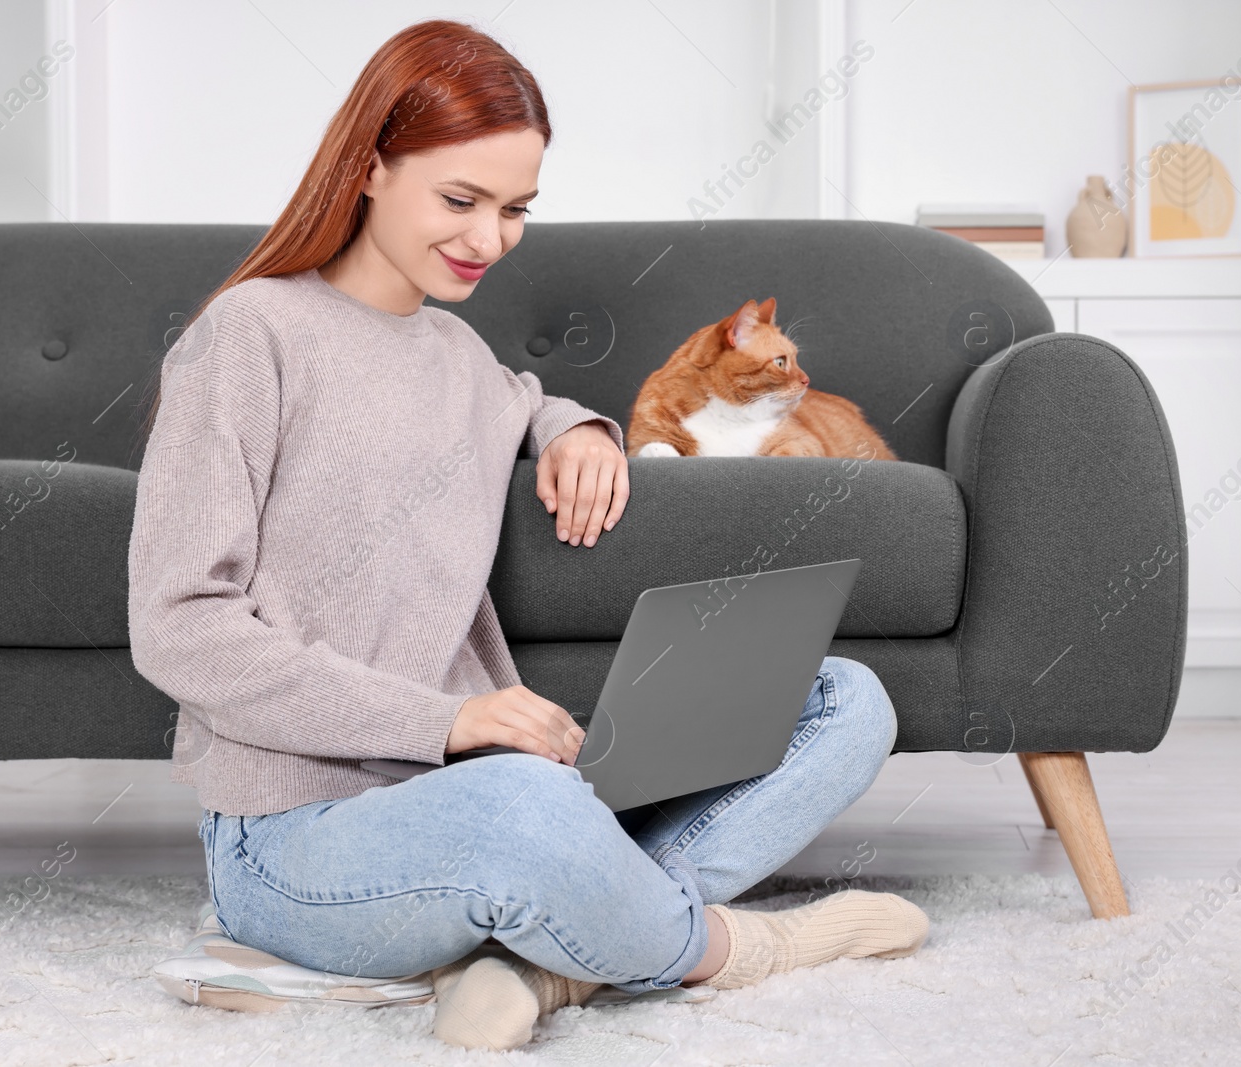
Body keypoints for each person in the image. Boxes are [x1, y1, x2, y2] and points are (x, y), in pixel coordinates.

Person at [126, 17, 928, 1051]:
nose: (489, 238)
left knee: (848, 701)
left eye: (515, 209)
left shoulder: (457, 353)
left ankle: (542, 963)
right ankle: (723, 946)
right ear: (369, 167)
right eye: (460, 200)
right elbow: (178, 626)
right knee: (523, 804)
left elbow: (524, 399)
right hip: (294, 840)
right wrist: (447, 723)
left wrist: (579, 428)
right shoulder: (248, 335)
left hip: (484, 797)